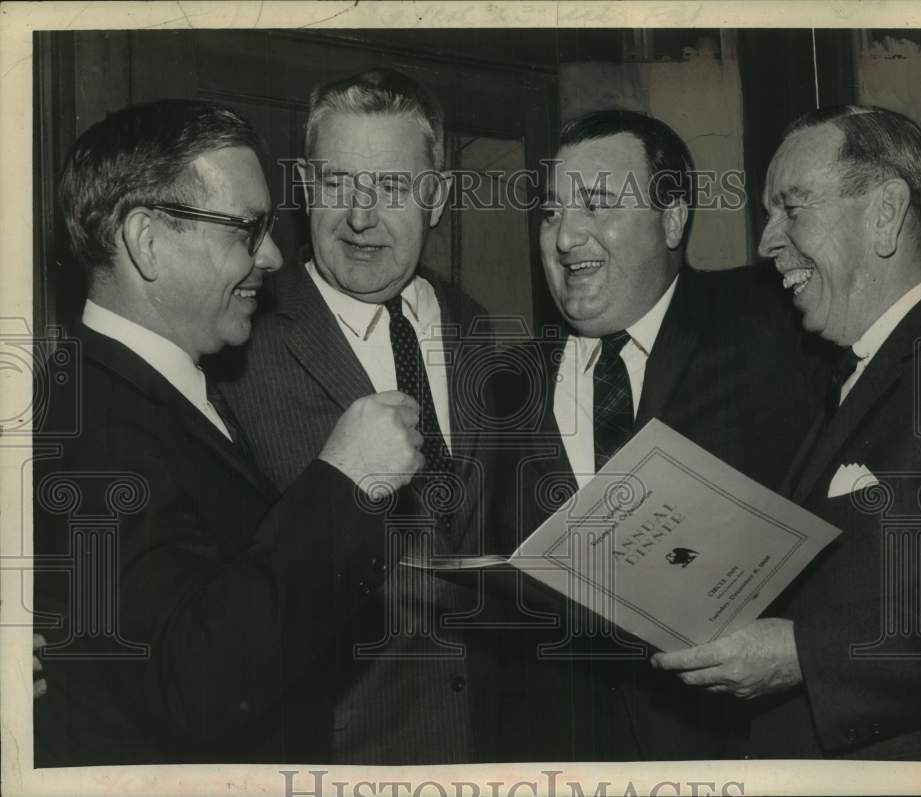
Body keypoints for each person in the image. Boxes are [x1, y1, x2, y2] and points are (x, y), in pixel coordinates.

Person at [32, 99, 424, 766]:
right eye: (245, 229)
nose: (272, 255)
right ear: (146, 240)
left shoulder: (149, 393)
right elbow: (195, 682)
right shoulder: (101, 426)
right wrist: (343, 481)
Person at [491, 108, 827, 761]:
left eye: (596, 205)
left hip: (738, 752)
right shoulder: (506, 385)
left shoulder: (779, 324)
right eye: (553, 212)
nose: (565, 238)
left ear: (672, 218)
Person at [652, 105, 921, 760]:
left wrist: (802, 652)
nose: (768, 241)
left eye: (792, 209)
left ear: (885, 213)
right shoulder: (842, 379)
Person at [212, 69, 499, 763]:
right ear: (307, 188)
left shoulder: (475, 327)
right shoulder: (237, 343)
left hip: (490, 747)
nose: (361, 217)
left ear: (437, 198)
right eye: (338, 184)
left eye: (393, 187)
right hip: (330, 755)